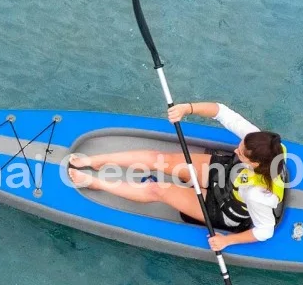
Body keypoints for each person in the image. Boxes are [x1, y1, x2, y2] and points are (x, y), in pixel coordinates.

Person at [67, 102, 286, 251]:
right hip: (227, 174)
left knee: (157, 189)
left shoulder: (258, 195)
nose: (236, 150)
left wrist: (227, 241)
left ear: (256, 164)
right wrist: (187, 108)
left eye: (241, 153)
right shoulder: (264, 145)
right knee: (159, 159)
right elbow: (222, 111)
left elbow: (264, 232)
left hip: (225, 208)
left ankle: (96, 183)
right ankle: (96, 161)